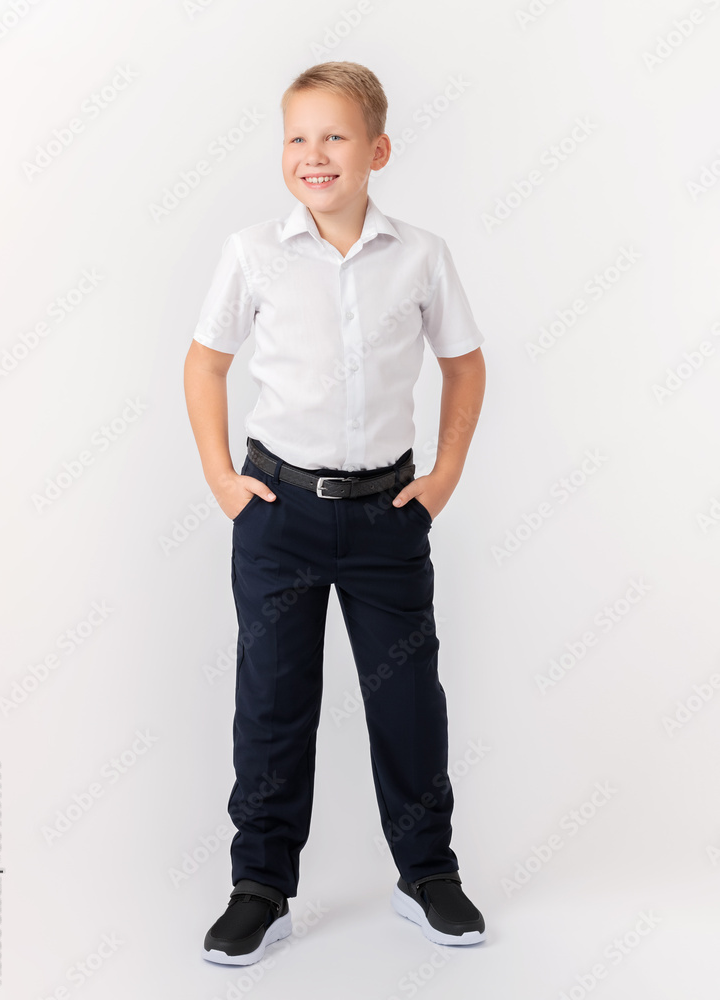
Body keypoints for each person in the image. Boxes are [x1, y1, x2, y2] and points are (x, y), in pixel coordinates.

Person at [184, 60, 487, 966]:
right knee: (273, 704)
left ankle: (427, 872)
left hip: (387, 514)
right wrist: (222, 481)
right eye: (297, 137)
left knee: (407, 700)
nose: (314, 155)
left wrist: (442, 477)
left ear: (377, 149)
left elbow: (465, 364)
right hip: (277, 513)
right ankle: (261, 886)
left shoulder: (422, 255)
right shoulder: (253, 252)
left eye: (335, 136)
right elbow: (206, 363)